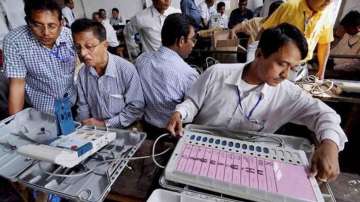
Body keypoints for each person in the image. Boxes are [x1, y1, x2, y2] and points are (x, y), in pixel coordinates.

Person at [167, 23, 347, 182]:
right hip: (200, 152)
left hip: (245, 165)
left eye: (293, 68)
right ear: (260, 53)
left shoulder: (287, 93)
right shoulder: (216, 74)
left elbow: (324, 114)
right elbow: (192, 102)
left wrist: (330, 143)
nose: (286, 75)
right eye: (281, 64)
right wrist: (180, 112)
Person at [3, 0, 76, 115]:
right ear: (28, 21)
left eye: (52, 26)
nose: (45, 33)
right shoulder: (14, 41)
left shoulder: (70, 36)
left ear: (61, 23)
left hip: (72, 103)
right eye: (37, 25)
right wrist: (17, 123)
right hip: (41, 111)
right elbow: (17, 85)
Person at [71, 18, 144, 128]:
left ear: (105, 45)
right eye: (78, 47)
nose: (82, 53)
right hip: (95, 131)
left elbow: (135, 108)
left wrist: (104, 124)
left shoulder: (126, 70)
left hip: (125, 129)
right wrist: (83, 128)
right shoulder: (82, 73)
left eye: (89, 46)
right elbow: (83, 107)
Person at [136, 13, 199, 136]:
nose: (193, 44)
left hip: (147, 131)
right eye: (192, 39)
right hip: (173, 133)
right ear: (181, 41)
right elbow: (192, 109)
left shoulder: (141, 60)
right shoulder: (188, 74)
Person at [261, 0, 334, 79]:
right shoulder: (290, 6)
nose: (328, 1)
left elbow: (324, 44)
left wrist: (321, 71)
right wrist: (256, 57)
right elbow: (265, 31)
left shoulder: (326, 16)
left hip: (300, 67)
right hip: (278, 63)